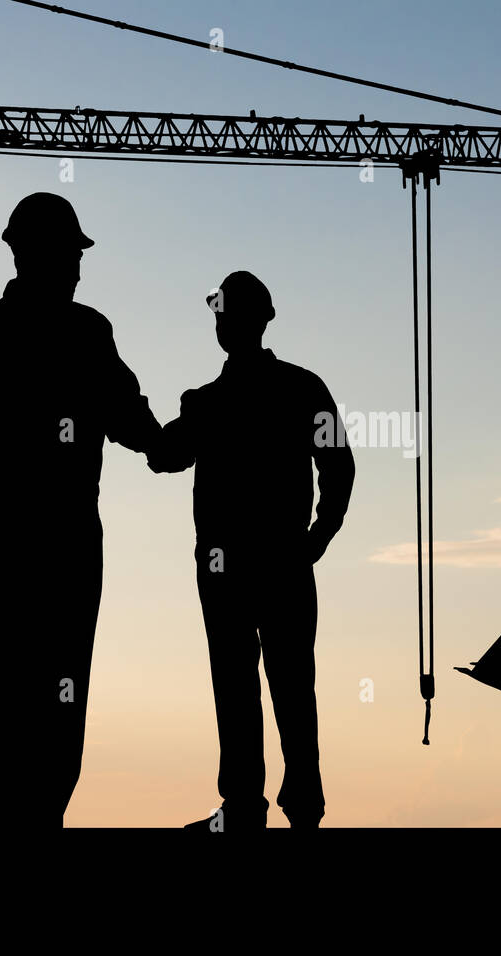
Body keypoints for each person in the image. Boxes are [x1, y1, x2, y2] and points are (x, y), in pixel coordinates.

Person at [0, 192, 161, 828]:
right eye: (69, 254)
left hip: (22, 547)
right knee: (50, 688)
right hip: (51, 545)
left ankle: (12, 818)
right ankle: (25, 817)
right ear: (34, 255)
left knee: (14, 686)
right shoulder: (72, 334)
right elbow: (128, 416)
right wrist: (173, 442)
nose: (75, 267)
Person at [147, 271, 354, 830]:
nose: (223, 323)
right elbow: (338, 464)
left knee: (239, 682)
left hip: (231, 567)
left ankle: (248, 806)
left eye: (225, 315)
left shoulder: (214, 403)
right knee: (288, 683)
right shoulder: (297, 388)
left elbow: (164, 456)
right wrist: (318, 534)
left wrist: (137, 419)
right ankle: (296, 806)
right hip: (280, 563)